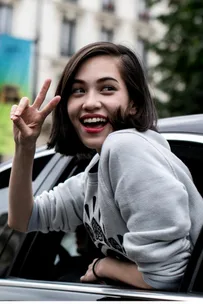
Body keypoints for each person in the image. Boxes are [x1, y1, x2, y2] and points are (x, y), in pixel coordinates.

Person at [8, 42, 203, 291]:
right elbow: (23, 218)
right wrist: (25, 147)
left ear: (134, 103)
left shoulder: (126, 147)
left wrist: (102, 266)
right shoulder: (96, 174)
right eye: (78, 91)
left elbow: (166, 278)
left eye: (107, 88)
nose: (90, 102)